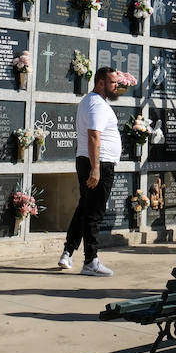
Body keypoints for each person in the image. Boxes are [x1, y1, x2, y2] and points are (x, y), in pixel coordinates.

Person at [58, 67, 122, 277]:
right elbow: (94, 135)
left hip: (89, 160)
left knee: (84, 208)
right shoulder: (97, 104)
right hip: (98, 163)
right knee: (94, 212)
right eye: (113, 82)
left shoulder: (90, 101)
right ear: (101, 83)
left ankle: (68, 251)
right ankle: (91, 261)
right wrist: (96, 169)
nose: (117, 86)